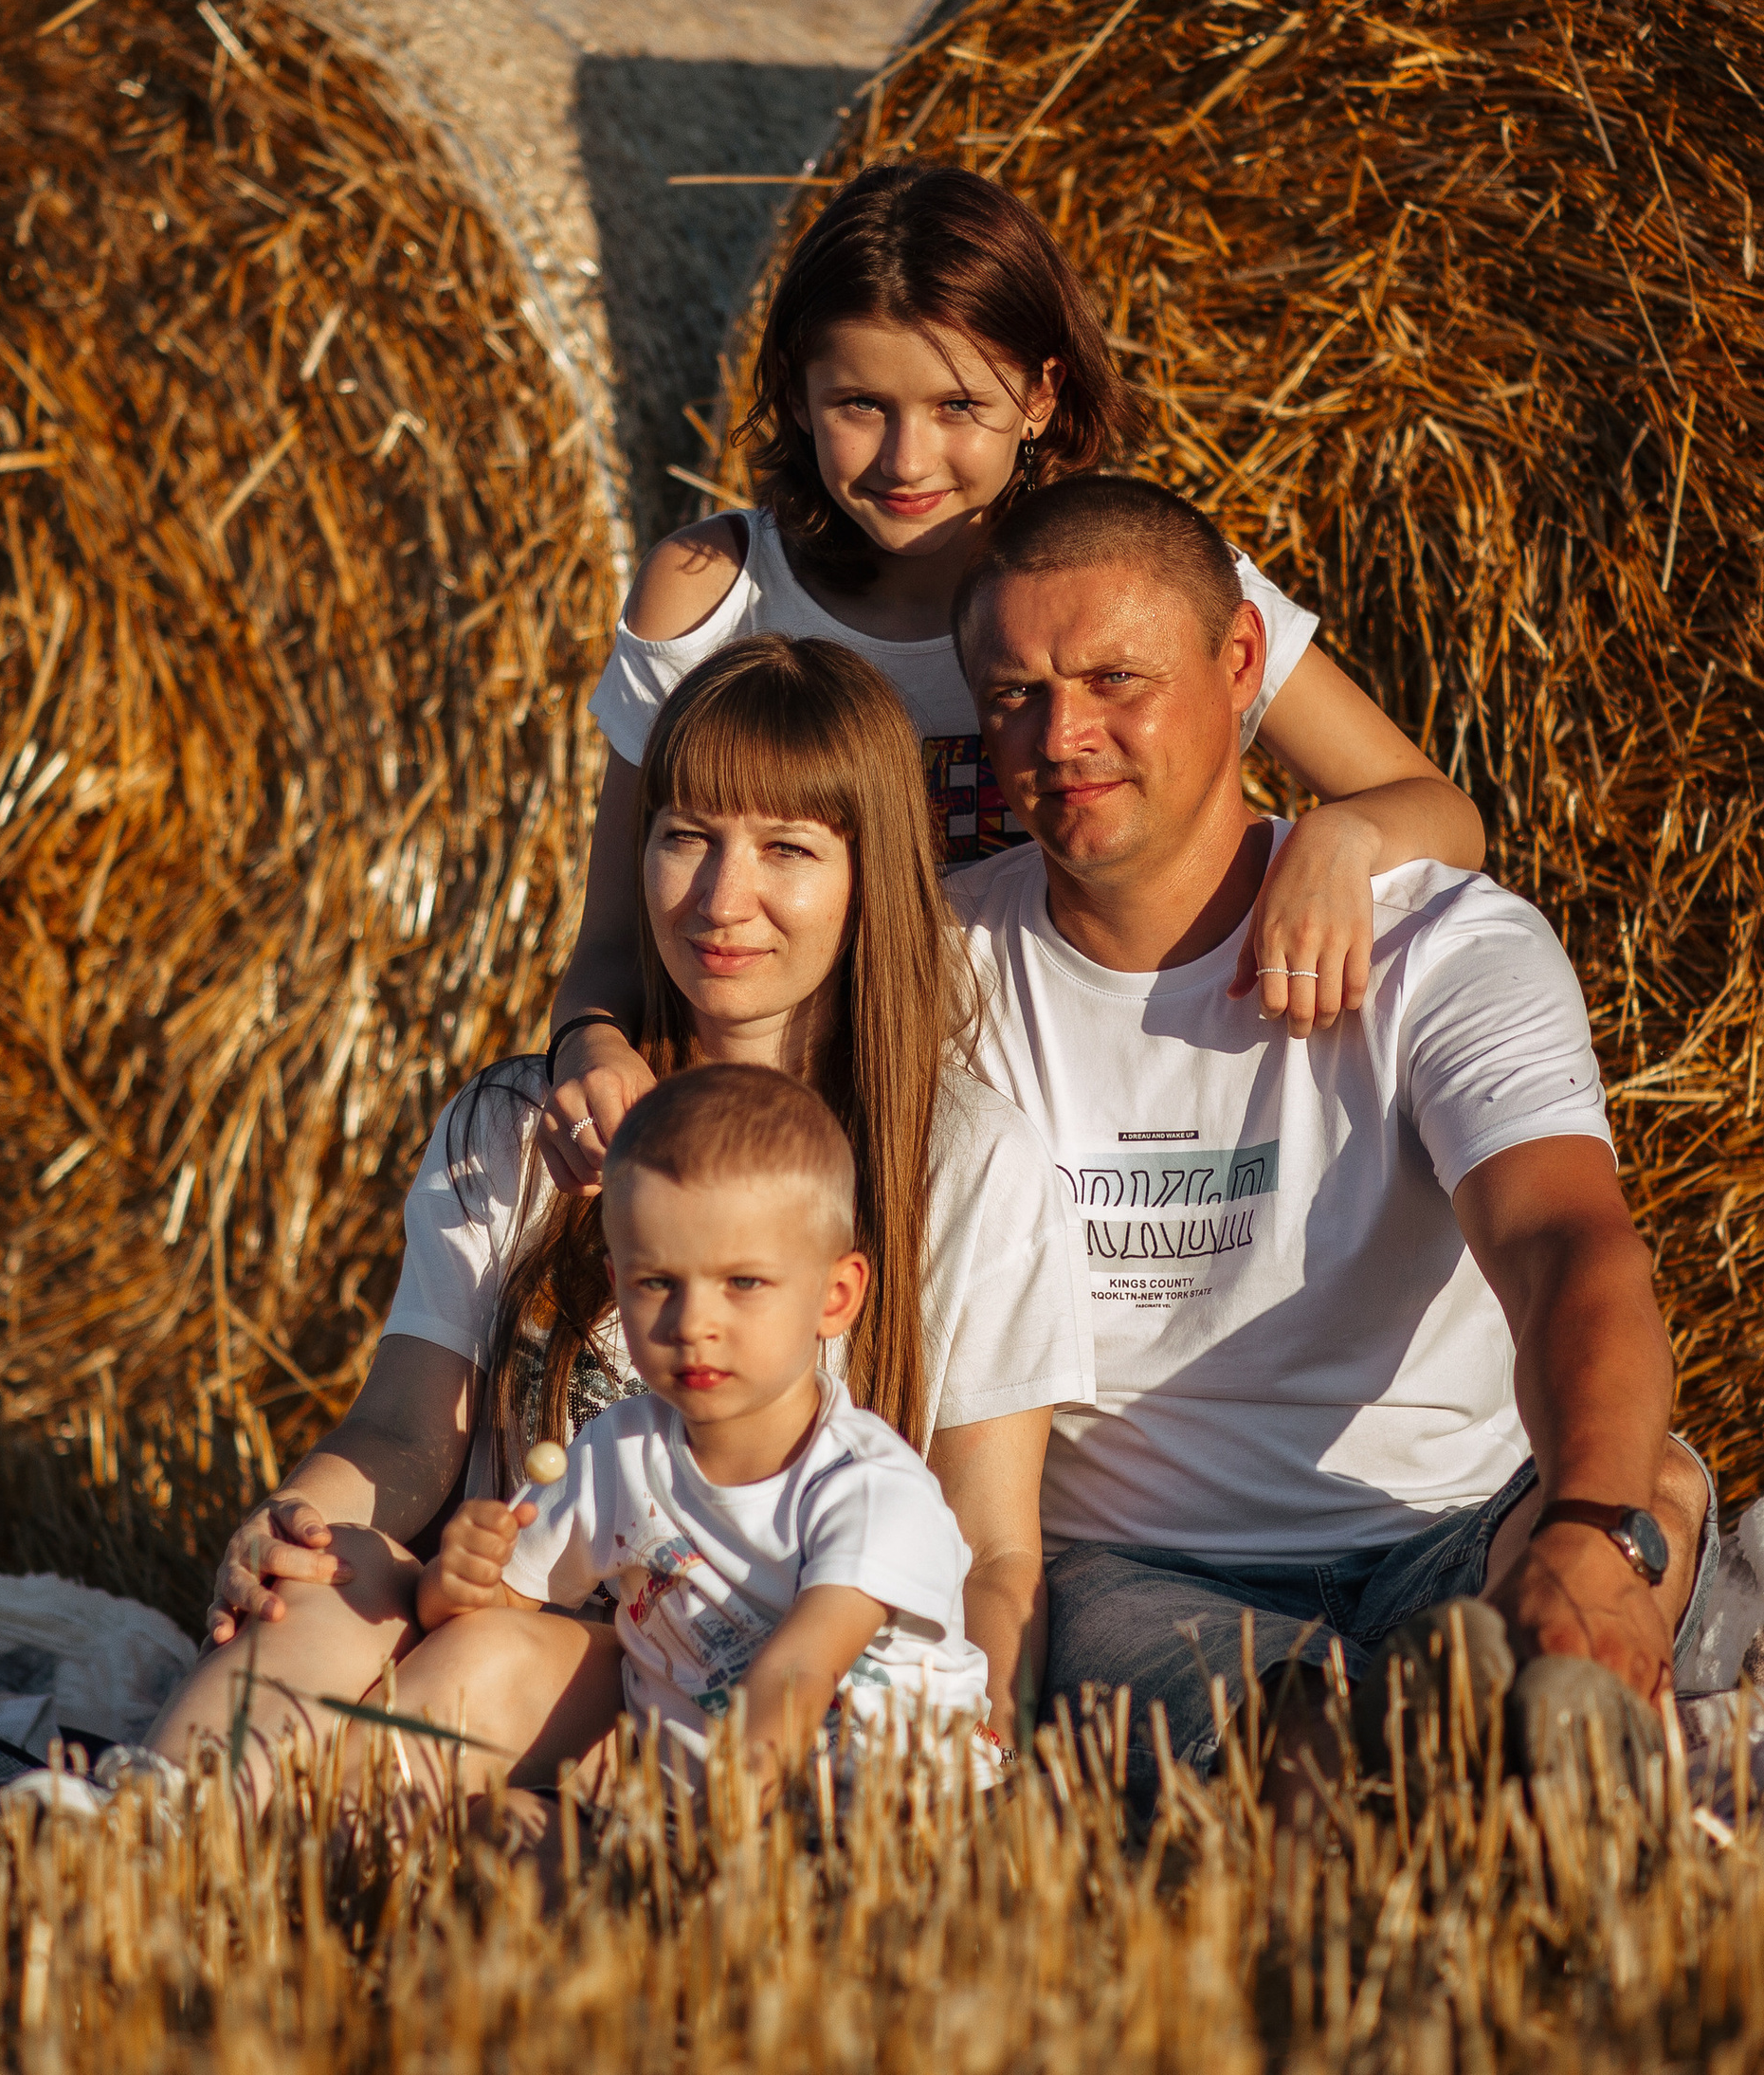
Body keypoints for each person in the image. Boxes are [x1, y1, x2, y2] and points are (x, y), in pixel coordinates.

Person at [142, 635, 1086, 1796]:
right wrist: (288, 1521)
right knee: (330, 1572)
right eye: (686, 836)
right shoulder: (515, 1124)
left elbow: (993, 1548)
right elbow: (398, 1436)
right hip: (499, 1597)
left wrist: (958, 1770)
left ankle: (269, 1873)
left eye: (784, 848)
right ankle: (132, 1858)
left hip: (742, 1714)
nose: (720, 898)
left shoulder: (964, 1162)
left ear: (870, 872)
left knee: (484, 1661)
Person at [941, 474, 1717, 1818]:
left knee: (1643, 1487)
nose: (1061, 735)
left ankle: (1520, 1710)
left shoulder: (1445, 942)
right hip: (1138, 1565)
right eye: (1014, 693)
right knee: (1299, 1760)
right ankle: (1436, 1770)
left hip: (1459, 1522)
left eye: (1116, 677)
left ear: (1242, 662)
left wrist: (1590, 1539)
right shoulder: (940, 971)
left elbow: (1563, 1246)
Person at [539, 162, 1485, 1195]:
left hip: (1079, 1119)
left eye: (958, 404)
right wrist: (589, 1047)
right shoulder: (714, 596)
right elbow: (613, 944)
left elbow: (1438, 812)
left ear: (1039, 395)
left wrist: (1337, 838)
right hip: (802, 1138)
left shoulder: (1137, 585)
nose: (908, 457)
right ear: (799, 398)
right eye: (860, 402)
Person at [407, 1063, 990, 1829]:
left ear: (835, 1296)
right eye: (657, 1283)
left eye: (743, 1282)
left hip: (899, 1828)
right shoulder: (618, 1454)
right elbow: (492, 1610)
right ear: (617, 1283)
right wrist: (461, 1579)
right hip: (695, 1817)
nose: (692, 1322)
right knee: (503, 1830)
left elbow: (797, 1675)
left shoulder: (868, 1487)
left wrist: (706, 1866)